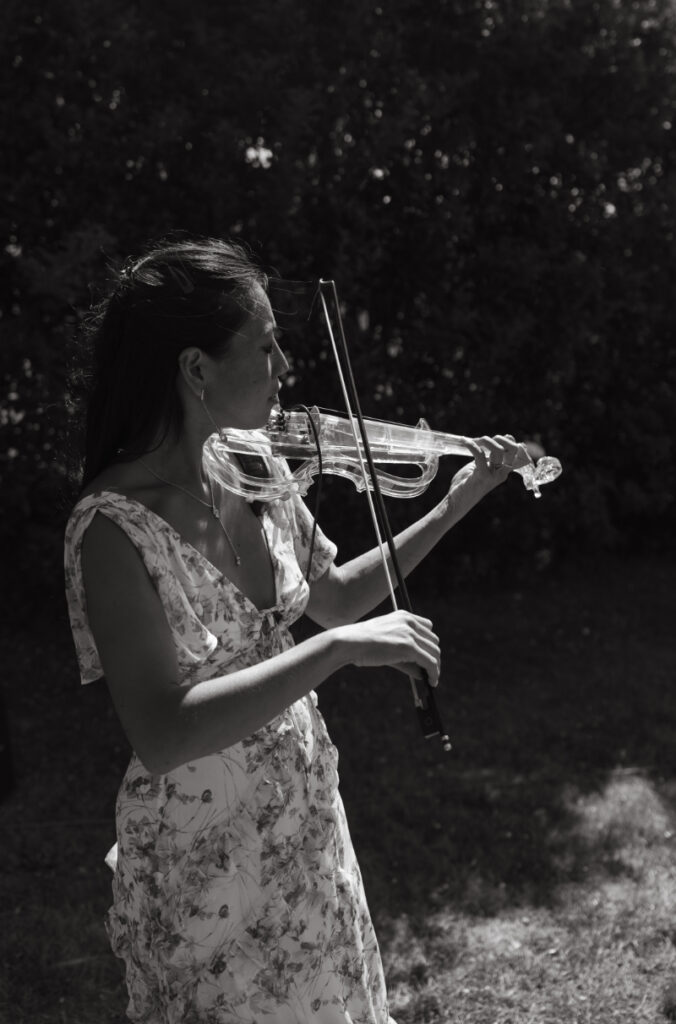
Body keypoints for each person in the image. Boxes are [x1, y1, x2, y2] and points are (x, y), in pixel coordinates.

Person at [64, 236, 524, 1024]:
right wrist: (338, 652)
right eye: (267, 344)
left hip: (303, 822)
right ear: (195, 369)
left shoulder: (252, 465)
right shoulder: (111, 529)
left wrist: (456, 503)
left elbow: (335, 597)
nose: (286, 367)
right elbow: (164, 732)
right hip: (205, 859)